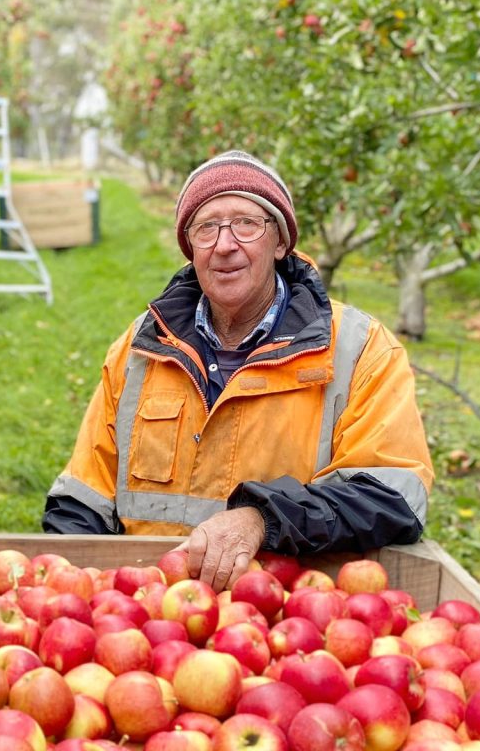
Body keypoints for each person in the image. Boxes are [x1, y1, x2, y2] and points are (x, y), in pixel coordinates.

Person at [43, 150, 432, 592]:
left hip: (293, 619)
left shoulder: (359, 350)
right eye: (206, 227)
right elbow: (81, 499)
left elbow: (392, 496)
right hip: (150, 617)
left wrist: (261, 518)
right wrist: (81, 599)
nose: (225, 244)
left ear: (280, 242)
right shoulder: (141, 349)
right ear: (191, 248)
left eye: (247, 223)